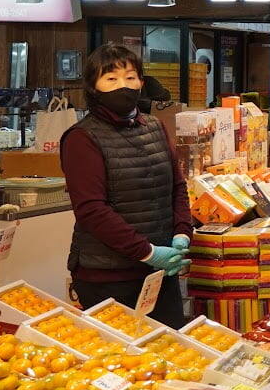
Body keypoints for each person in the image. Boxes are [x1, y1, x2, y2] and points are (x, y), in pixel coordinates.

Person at [59, 44, 193, 328]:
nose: (123, 85)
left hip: (159, 274)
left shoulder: (154, 127)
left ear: (142, 83)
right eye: (111, 79)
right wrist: (148, 252)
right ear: (93, 87)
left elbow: (177, 187)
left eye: (131, 77)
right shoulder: (82, 138)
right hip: (108, 278)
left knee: (170, 356)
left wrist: (182, 233)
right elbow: (92, 210)